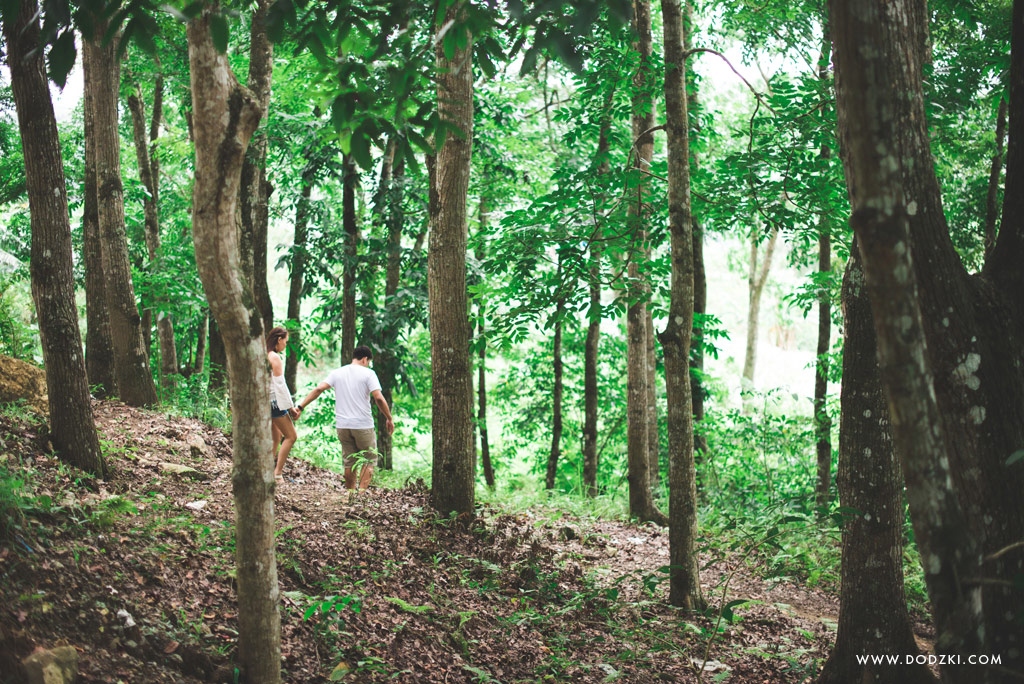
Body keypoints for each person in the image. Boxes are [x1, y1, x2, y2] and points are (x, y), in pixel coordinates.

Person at [295, 345, 394, 490]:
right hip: (362, 425)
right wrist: (389, 418)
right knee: (369, 460)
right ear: (365, 359)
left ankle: (350, 494)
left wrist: (300, 407)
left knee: (349, 461)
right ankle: (360, 497)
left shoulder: (337, 373)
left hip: (343, 425)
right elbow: (378, 398)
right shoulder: (369, 374)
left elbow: (318, 389)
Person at [267, 326, 299, 481]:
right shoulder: (274, 357)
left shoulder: (262, 354)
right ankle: (277, 473)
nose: (285, 345)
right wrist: (291, 407)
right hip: (274, 401)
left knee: (276, 436)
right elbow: (280, 384)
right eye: (285, 342)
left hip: (264, 401)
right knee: (291, 436)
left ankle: (266, 471)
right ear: (279, 339)